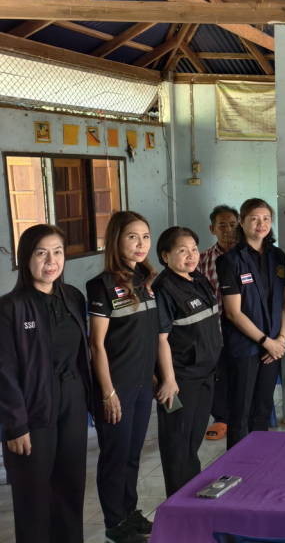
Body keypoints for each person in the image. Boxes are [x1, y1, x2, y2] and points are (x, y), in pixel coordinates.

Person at [0, 225, 90, 543]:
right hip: (33, 408)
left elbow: (82, 355)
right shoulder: (10, 308)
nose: (51, 261)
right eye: (41, 253)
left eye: (58, 252)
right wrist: (15, 425)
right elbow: (4, 371)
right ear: (26, 258)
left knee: (71, 488)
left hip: (72, 402)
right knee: (34, 497)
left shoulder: (73, 298)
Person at [87, 211, 164, 543]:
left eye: (145, 236)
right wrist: (108, 392)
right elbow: (96, 345)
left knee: (132, 454)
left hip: (142, 384)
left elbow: (149, 335)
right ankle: (114, 523)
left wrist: (156, 376)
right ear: (116, 240)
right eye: (132, 236)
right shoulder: (101, 285)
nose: (140, 243)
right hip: (116, 386)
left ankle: (129, 513)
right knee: (115, 457)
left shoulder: (147, 281)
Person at [152, 227, 221, 497]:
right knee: (177, 445)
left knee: (192, 441)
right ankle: (178, 504)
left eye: (194, 249)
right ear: (165, 256)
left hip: (205, 373)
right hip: (181, 379)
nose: (191, 255)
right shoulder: (163, 288)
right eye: (182, 251)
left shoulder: (199, 279)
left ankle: (191, 497)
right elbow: (160, 338)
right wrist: (169, 380)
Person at [218, 199, 285, 446]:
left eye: (266, 219)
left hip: (274, 347)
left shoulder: (277, 256)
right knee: (240, 414)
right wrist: (266, 342)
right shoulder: (230, 260)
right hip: (245, 348)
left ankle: (259, 462)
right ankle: (236, 465)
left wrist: (281, 339)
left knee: (262, 410)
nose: (261, 224)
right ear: (242, 222)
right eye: (254, 219)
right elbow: (233, 313)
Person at [198, 205, 238, 442]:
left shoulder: (246, 256)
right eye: (222, 225)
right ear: (212, 229)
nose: (228, 230)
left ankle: (240, 415)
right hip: (215, 326)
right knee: (218, 373)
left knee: (241, 372)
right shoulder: (202, 259)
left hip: (243, 324)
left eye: (233, 224)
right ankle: (221, 418)